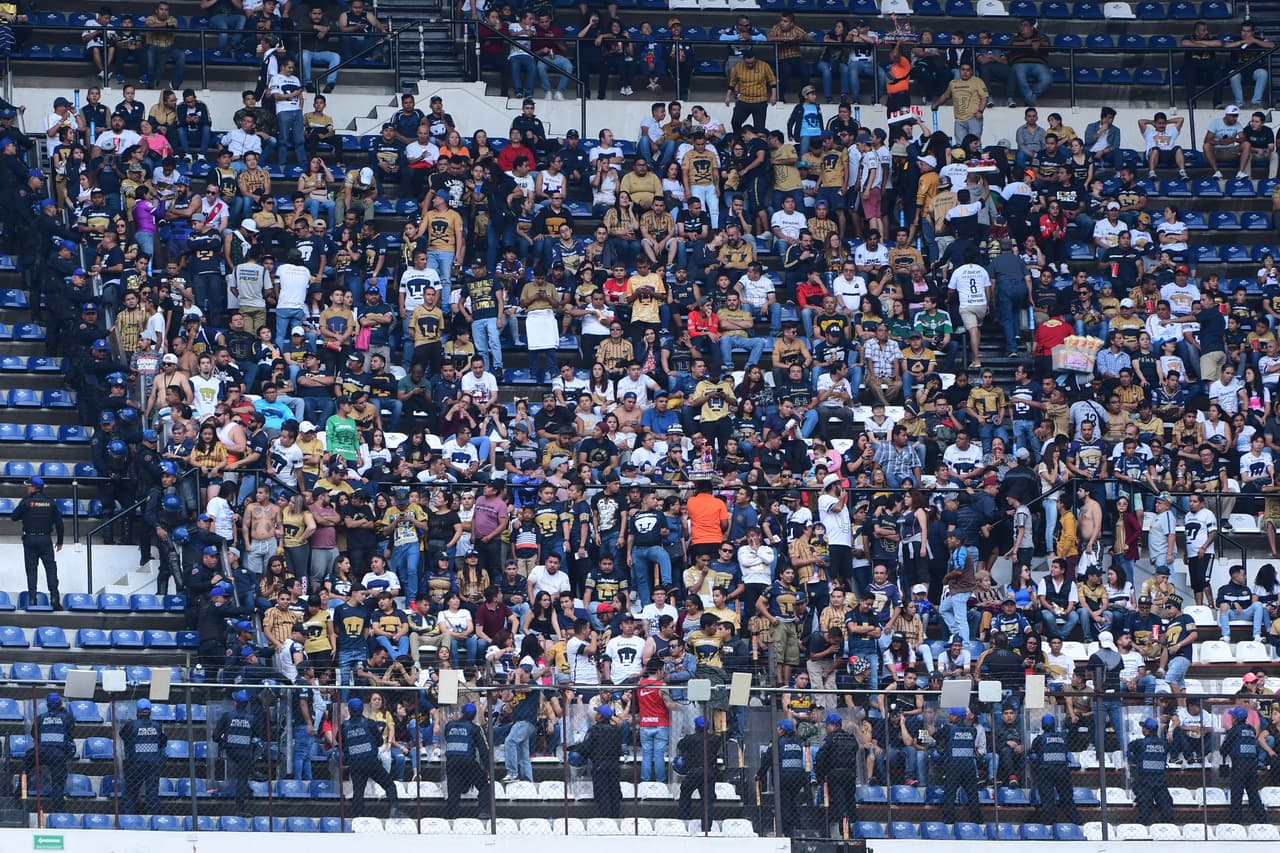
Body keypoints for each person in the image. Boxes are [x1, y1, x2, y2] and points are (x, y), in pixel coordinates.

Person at [342, 696, 400, 817]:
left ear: (350, 710)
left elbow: (340, 743)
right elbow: (379, 742)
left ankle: (359, 817)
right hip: (371, 762)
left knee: (358, 792)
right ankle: (394, 809)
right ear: (362, 709)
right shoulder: (370, 723)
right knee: (389, 785)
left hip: (355, 763)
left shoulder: (344, 727)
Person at [13, 476, 64, 609]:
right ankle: (54, 598)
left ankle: (32, 600)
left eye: (29, 486)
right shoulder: (50, 502)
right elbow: (59, 523)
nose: (27, 488)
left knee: (31, 570)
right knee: (51, 569)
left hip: (30, 539)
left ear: (34, 487)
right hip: (45, 539)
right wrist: (60, 541)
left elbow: (14, 517)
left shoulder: (26, 502)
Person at [756, 719, 808, 837]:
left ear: (782, 730)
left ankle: (788, 831)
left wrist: (759, 775)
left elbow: (767, 760)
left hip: (783, 779)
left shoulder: (777, 742)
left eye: (778, 728)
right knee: (791, 802)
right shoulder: (798, 742)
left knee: (784, 805)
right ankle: (798, 826)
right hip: (798, 779)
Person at [572, 704, 625, 818]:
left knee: (603, 794)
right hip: (614, 765)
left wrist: (574, 748)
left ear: (601, 716)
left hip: (600, 765)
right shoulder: (616, 730)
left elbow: (586, 748)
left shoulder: (594, 730)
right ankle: (615, 819)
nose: (595, 714)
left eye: (598, 713)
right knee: (614, 793)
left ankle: (606, 819)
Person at [1027, 713, 1081, 825]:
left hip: (1045, 772)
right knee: (1067, 800)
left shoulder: (1039, 739)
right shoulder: (1062, 737)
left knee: (1047, 799)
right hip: (1062, 771)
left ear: (1042, 726)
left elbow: (1032, 756)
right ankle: (1077, 821)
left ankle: (1051, 823)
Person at [443, 702, 491, 820]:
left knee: (453, 792)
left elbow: (446, 738)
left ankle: (452, 817)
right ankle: (484, 812)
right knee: (484, 786)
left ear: (461, 713)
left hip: (451, 763)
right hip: (468, 763)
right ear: (474, 716)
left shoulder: (449, 725)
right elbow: (484, 749)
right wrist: (488, 768)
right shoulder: (475, 728)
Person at [935, 706, 983, 825]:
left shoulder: (948, 728)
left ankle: (949, 820)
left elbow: (936, 736)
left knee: (950, 793)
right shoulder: (973, 730)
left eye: (951, 714)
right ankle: (977, 820)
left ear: (956, 716)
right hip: (969, 766)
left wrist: (933, 733)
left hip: (954, 766)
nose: (949, 716)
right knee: (972, 794)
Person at [1220, 705, 1267, 824]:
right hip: (1252, 765)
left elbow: (1224, 748)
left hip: (1239, 765)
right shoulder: (1251, 730)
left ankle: (1235, 821)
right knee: (1253, 794)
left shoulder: (1234, 730)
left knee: (1237, 794)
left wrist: (1226, 752)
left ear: (1235, 719)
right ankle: (1262, 819)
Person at [120, 698, 167, 815]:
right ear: (150, 712)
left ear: (137, 712)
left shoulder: (131, 725)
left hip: (135, 763)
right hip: (153, 763)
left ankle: (129, 817)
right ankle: (153, 818)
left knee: (131, 791)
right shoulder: (157, 726)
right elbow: (163, 742)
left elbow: (123, 736)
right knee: (152, 792)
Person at [213, 689, 257, 813]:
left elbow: (215, 736)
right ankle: (240, 807)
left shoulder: (227, 717)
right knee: (242, 779)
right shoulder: (252, 718)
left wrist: (224, 739)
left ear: (235, 703)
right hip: (246, 753)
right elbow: (257, 736)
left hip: (230, 752)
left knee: (240, 777)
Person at [813, 712, 859, 835]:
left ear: (833, 725)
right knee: (850, 802)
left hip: (835, 777)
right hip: (850, 776)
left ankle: (844, 831)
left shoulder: (830, 739)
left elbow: (819, 759)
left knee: (840, 805)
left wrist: (821, 778)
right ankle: (853, 829)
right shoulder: (850, 738)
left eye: (827, 725)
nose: (826, 728)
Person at [30, 692, 75, 811]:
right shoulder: (66, 717)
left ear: (47, 705)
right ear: (60, 704)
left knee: (26, 765)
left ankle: (18, 792)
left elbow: (33, 734)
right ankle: (58, 808)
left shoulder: (41, 717)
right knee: (58, 783)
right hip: (58, 754)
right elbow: (71, 733)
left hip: (41, 752)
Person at [677, 715, 721, 833]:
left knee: (685, 794)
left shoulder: (690, 739)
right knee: (707, 801)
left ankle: (685, 819)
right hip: (709, 771)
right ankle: (706, 827)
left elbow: (680, 746)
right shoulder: (715, 739)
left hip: (694, 771)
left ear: (696, 727)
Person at [1127, 716, 1173, 823]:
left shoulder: (1139, 743)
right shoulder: (1164, 744)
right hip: (1160, 781)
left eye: (1143, 727)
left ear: (1146, 730)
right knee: (1166, 806)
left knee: (1144, 808)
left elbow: (1128, 752)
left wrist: (1135, 761)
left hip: (1144, 781)